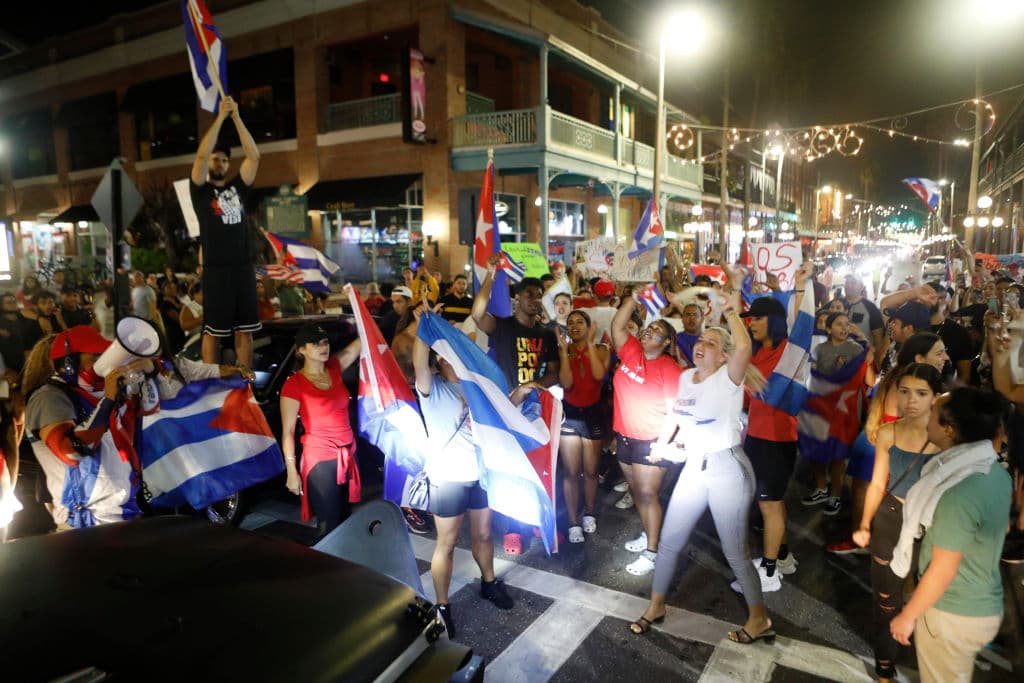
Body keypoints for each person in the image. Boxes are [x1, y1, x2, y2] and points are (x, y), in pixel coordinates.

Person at [630, 283, 775, 644]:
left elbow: (743, 345)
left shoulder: (730, 378)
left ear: (724, 356)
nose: (701, 345)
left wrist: (729, 310)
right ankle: (656, 605)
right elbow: (681, 418)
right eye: (700, 341)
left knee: (735, 553)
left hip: (728, 471)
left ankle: (759, 619)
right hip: (694, 467)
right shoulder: (684, 378)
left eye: (711, 343)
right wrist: (666, 445)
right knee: (669, 541)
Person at [888, 388, 1012, 683]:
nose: (927, 415)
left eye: (933, 412)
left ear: (949, 429)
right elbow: (999, 528)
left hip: (951, 613)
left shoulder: (956, 495)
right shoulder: (994, 473)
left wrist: (907, 617)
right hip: (984, 601)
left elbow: (943, 569)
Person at [411, 314, 513, 639]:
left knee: (484, 535)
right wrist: (424, 328)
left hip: (481, 474)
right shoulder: (431, 388)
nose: (451, 357)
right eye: (444, 354)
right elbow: (418, 361)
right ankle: (442, 606)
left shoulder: (477, 388)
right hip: (448, 478)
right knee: (448, 543)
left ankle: (489, 582)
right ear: (439, 360)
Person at [852, 363, 943, 683]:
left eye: (921, 393)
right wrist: (865, 524)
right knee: (885, 598)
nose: (911, 400)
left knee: (933, 598)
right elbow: (878, 483)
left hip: (934, 525)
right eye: (904, 392)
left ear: (936, 397)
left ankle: (930, 660)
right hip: (891, 518)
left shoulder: (949, 438)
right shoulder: (888, 432)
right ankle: (885, 664)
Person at [22, 327, 145, 529]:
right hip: (86, 525)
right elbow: (71, 452)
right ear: (68, 363)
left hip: (120, 516)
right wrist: (108, 400)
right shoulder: (48, 397)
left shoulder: (90, 395)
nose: (104, 361)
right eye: (96, 355)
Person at [741, 261, 812, 591]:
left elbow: (800, 324)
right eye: (750, 317)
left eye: (757, 318)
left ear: (774, 321)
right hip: (756, 437)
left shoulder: (790, 351)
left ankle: (768, 573)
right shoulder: (758, 353)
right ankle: (781, 556)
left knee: (769, 503)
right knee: (772, 502)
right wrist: (772, 287)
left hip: (777, 440)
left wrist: (799, 288)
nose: (751, 323)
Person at [610, 288, 683, 576]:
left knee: (648, 495)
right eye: (648, 328)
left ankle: (653, 553)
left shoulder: (670, 368)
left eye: (656, 332)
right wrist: (634, 299)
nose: (648, 332)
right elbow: (617, 325)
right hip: (625, 437)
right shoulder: (630, 350)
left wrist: (661, 445)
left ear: (666, 343)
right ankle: (650, 535)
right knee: (638, 494)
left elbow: (675, 412)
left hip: (651, 441)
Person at [190, 94, 261, 369]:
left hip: (242, 266)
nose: (218, 163)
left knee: (246, 329)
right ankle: (211, 379)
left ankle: (247, 380)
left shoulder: (238, 187)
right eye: (215, 159)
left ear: (228, 164)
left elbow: (254, 155)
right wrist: (220, 116)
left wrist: (237, 117)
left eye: (223, 160)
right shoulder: (200, 191)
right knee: (213, 331)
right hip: (216, 269)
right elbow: (199, 155)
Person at [279, 323, 361, 540]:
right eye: (315, 343)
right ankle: (326, 569)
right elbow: (287, 431)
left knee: (346, 519)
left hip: (348, 453)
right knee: (329, 525)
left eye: (325, 342)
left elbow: (359, 344)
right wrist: (291, 471)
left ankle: (344, 568)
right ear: (301, 350)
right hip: (321, 459)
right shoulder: (294, 384)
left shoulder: (334, 368)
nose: (323, 347)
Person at [802, 311, 873, 516]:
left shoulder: (855, 349)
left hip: (845, 410)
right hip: (822, 407)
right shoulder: (819, 349)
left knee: (838, 454)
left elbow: (865, 376)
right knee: (816, 448)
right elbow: (813, 376)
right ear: (829, 328)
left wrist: (864, 341)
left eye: (847, 324)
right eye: (839, 324)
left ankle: (835, 495)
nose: (844, 328)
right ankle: (821, 488)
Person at [556, 310, 610, 543]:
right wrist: (564, 351)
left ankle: (589, 512)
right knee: (570, 472)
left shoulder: (601, 349)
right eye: (571, 322)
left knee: (590, 471)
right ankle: (573, 522)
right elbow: (566, 384)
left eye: (580, 322)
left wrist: (588, 343)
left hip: (593, 414)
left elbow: (598, 374)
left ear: (589, 326)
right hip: (569, 415)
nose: (575, 325)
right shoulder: (563, 351)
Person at [842, 273, 886, 367]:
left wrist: (877, 364)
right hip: (837, 359)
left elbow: (878, 338)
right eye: (847, 282)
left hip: (862, 360)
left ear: (862, 286)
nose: (849, 285)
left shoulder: (870, 308)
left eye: (853, 283)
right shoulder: (835, 305)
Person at [0, 293, 26, 373]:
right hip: (8, 368)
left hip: (26, 363)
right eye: (9, 302)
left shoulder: (23, 319)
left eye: (14, 302)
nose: (13, 304)